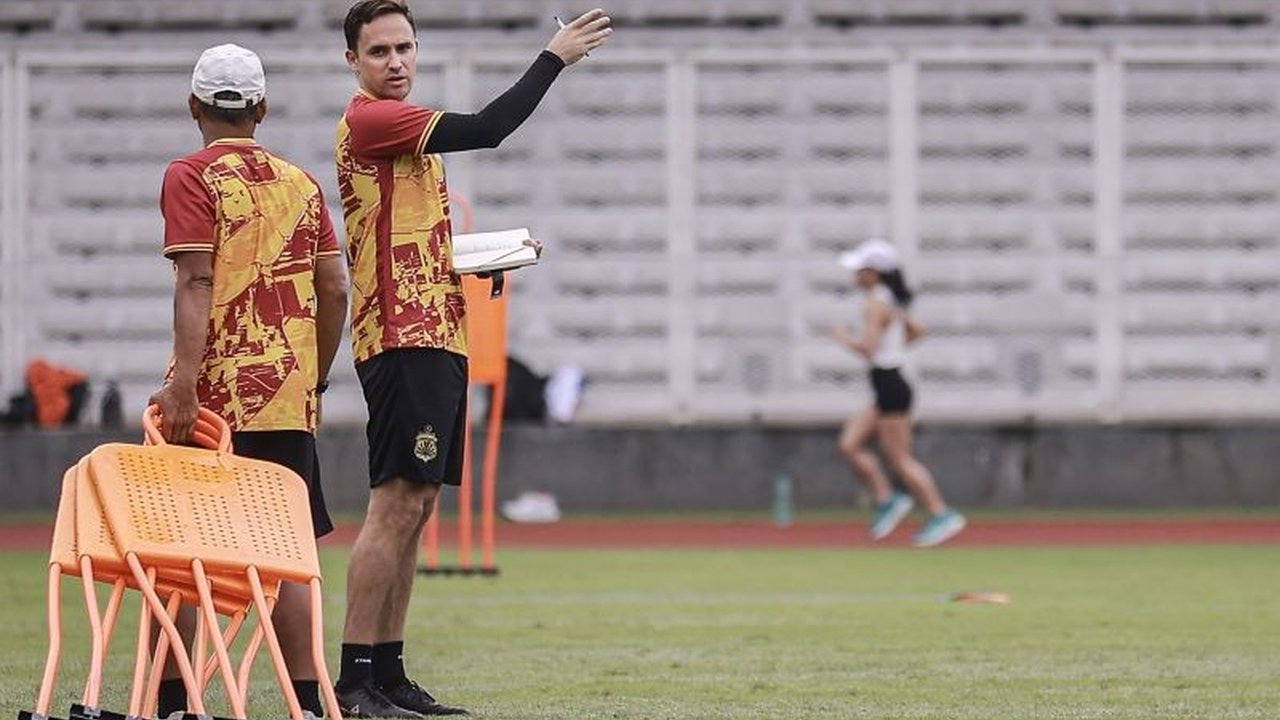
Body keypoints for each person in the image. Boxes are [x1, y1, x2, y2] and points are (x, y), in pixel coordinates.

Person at [331, 2, 611, 717]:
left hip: (439, 331)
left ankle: (388, 673)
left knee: (418, 508)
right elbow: (489, 128)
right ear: (353, 62)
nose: (394, 62)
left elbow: (410, 242)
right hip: (402, 336)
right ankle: (355, 680)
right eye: (379, 51)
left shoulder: (404, 132)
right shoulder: (371, 120)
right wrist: (555, 57)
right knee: (394, 505)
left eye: (404, 47)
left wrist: (485, 256)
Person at [148, 43, 349, 719]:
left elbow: (197, 277)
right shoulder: (301, 184)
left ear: (194, 107)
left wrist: (182, 384)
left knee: (176, 552)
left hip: (215, 400)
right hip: (288, 395)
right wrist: (313, 377)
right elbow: (333, 287)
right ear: (262, 109)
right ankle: (308, 703)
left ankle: (175, 701)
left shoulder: (190, 175)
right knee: (287, 556)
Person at [829, 239, 966, 548]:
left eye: (860, 271)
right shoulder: (889, 299)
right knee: (850, 444)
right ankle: (888, 499)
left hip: (890, 385)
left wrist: (842, 338)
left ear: (874, 272)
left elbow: (868, 349)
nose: (855, 277)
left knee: (900, 459)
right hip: (887, 383)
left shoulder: (876, 304)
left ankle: (941, 513)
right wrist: (896, 350)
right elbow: (918, 330)